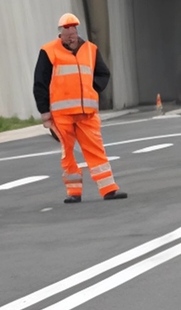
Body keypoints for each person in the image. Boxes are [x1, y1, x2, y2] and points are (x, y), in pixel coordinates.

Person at [33, 13, 127, 203]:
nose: (71, 36)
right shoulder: (48, 51)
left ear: (77, 32)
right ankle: (73, 192)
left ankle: (108, 189)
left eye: (73, 32)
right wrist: (44, 112)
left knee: (96, 150)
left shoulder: (91, 50)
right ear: (60, 34)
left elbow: (103, 73)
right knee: (68, 152)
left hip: (87, 114)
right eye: (67, 33)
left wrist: (92, 89)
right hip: (62, 115)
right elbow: (40, 83)